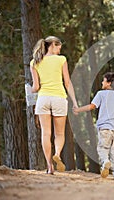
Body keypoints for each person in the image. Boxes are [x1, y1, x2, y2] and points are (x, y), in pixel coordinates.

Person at [73, 72, 114, 180]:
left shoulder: (100, 94)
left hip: (104, 127)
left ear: (108, 83)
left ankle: (105, 161)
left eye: (103, 80)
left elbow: (92, 106)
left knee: (103, 148)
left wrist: (78, 110)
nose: (102, 82)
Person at [30, 36, 78, 175]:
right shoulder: (61, 60)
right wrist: (74, 102)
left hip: (43, 98)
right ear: (52, 45)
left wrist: (30, 90)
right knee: (59, 133)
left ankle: (49, 166)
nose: (59, 50)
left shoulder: (35, 62)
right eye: (58, 47)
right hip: (58, 98)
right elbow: (67, 82)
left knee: (46, 133)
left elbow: (36, 86)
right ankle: (57, 153)